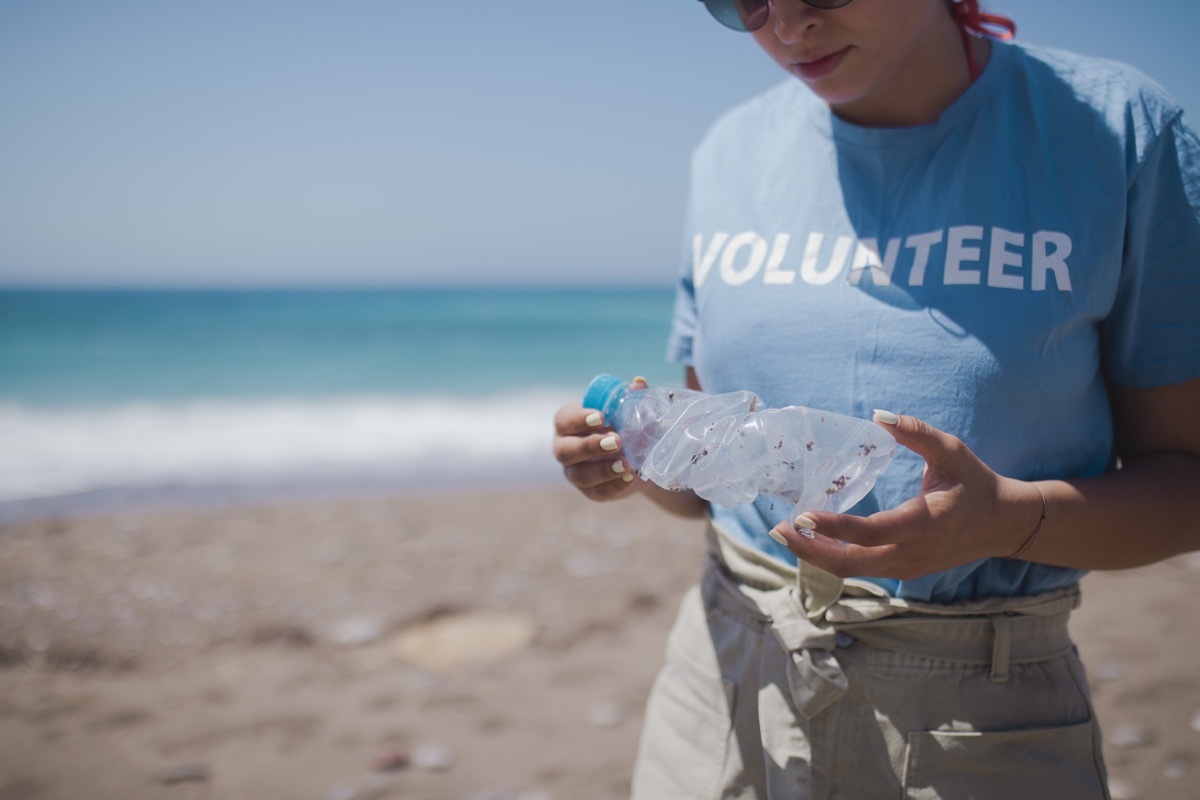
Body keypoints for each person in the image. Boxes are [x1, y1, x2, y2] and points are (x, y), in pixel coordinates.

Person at [552, 0, 1200, 797]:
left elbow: (1186, 482)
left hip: (974, 720)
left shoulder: (1120, 134)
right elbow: (715, 491)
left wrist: (1008, 519)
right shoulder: (732, 152)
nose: (788, 28)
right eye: (743, 1)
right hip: (719, 692)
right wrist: (634, 457)